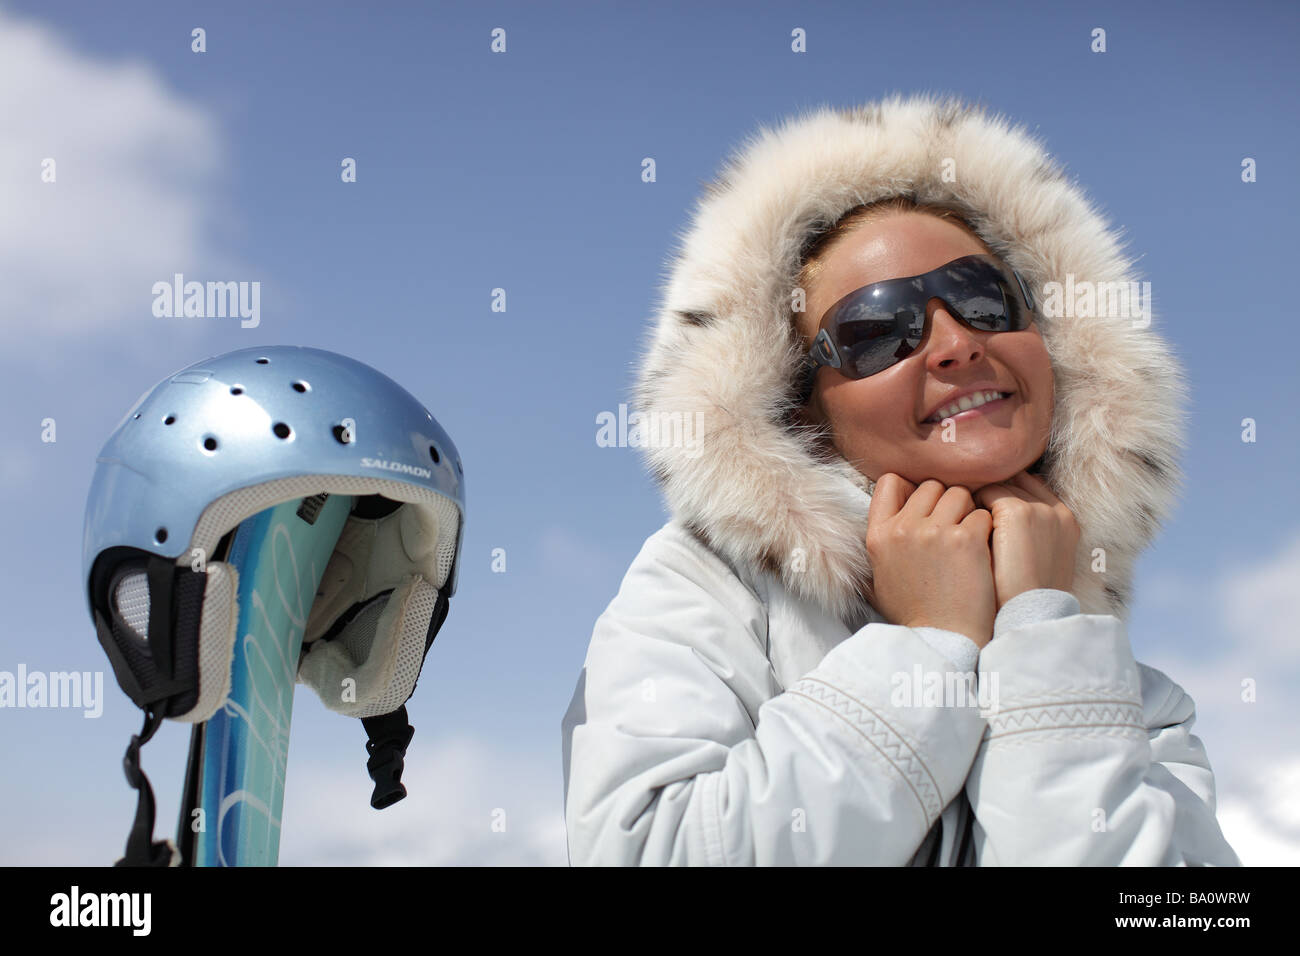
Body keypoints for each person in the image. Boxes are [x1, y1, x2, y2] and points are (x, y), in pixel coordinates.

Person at [559, 93, 1240, 865]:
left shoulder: (1133, 702)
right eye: (877, 330)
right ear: (797, 406)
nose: (954, 344)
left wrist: (1045, 635)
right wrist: (927, 647)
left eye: (985, 300)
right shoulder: (705, 595)